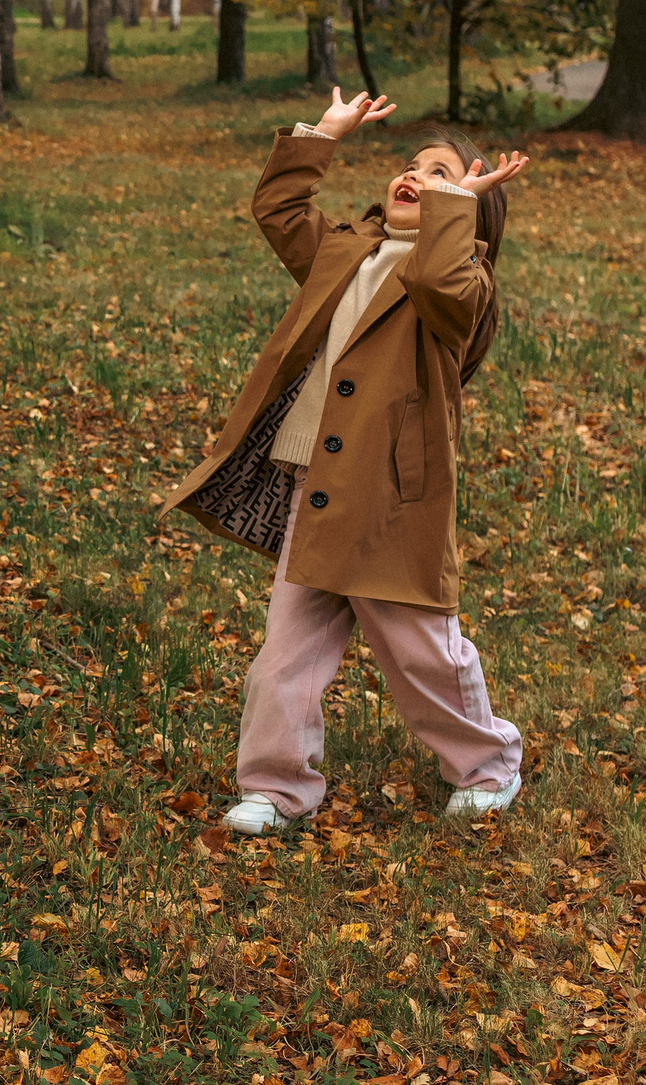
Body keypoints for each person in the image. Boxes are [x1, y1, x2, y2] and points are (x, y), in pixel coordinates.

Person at [155, 90, 529, 835]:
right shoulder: (345, 247)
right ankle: (275, 785)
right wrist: (321, 135)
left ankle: (489, 767)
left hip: (392, 499)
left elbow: (440, 284)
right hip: (317, 488)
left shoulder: (465, 283)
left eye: (442, 172)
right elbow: (281, 213)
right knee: (284, 655)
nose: (416, 175)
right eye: (412, 165)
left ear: (469, 204)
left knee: (422, 655)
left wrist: (455, 211)